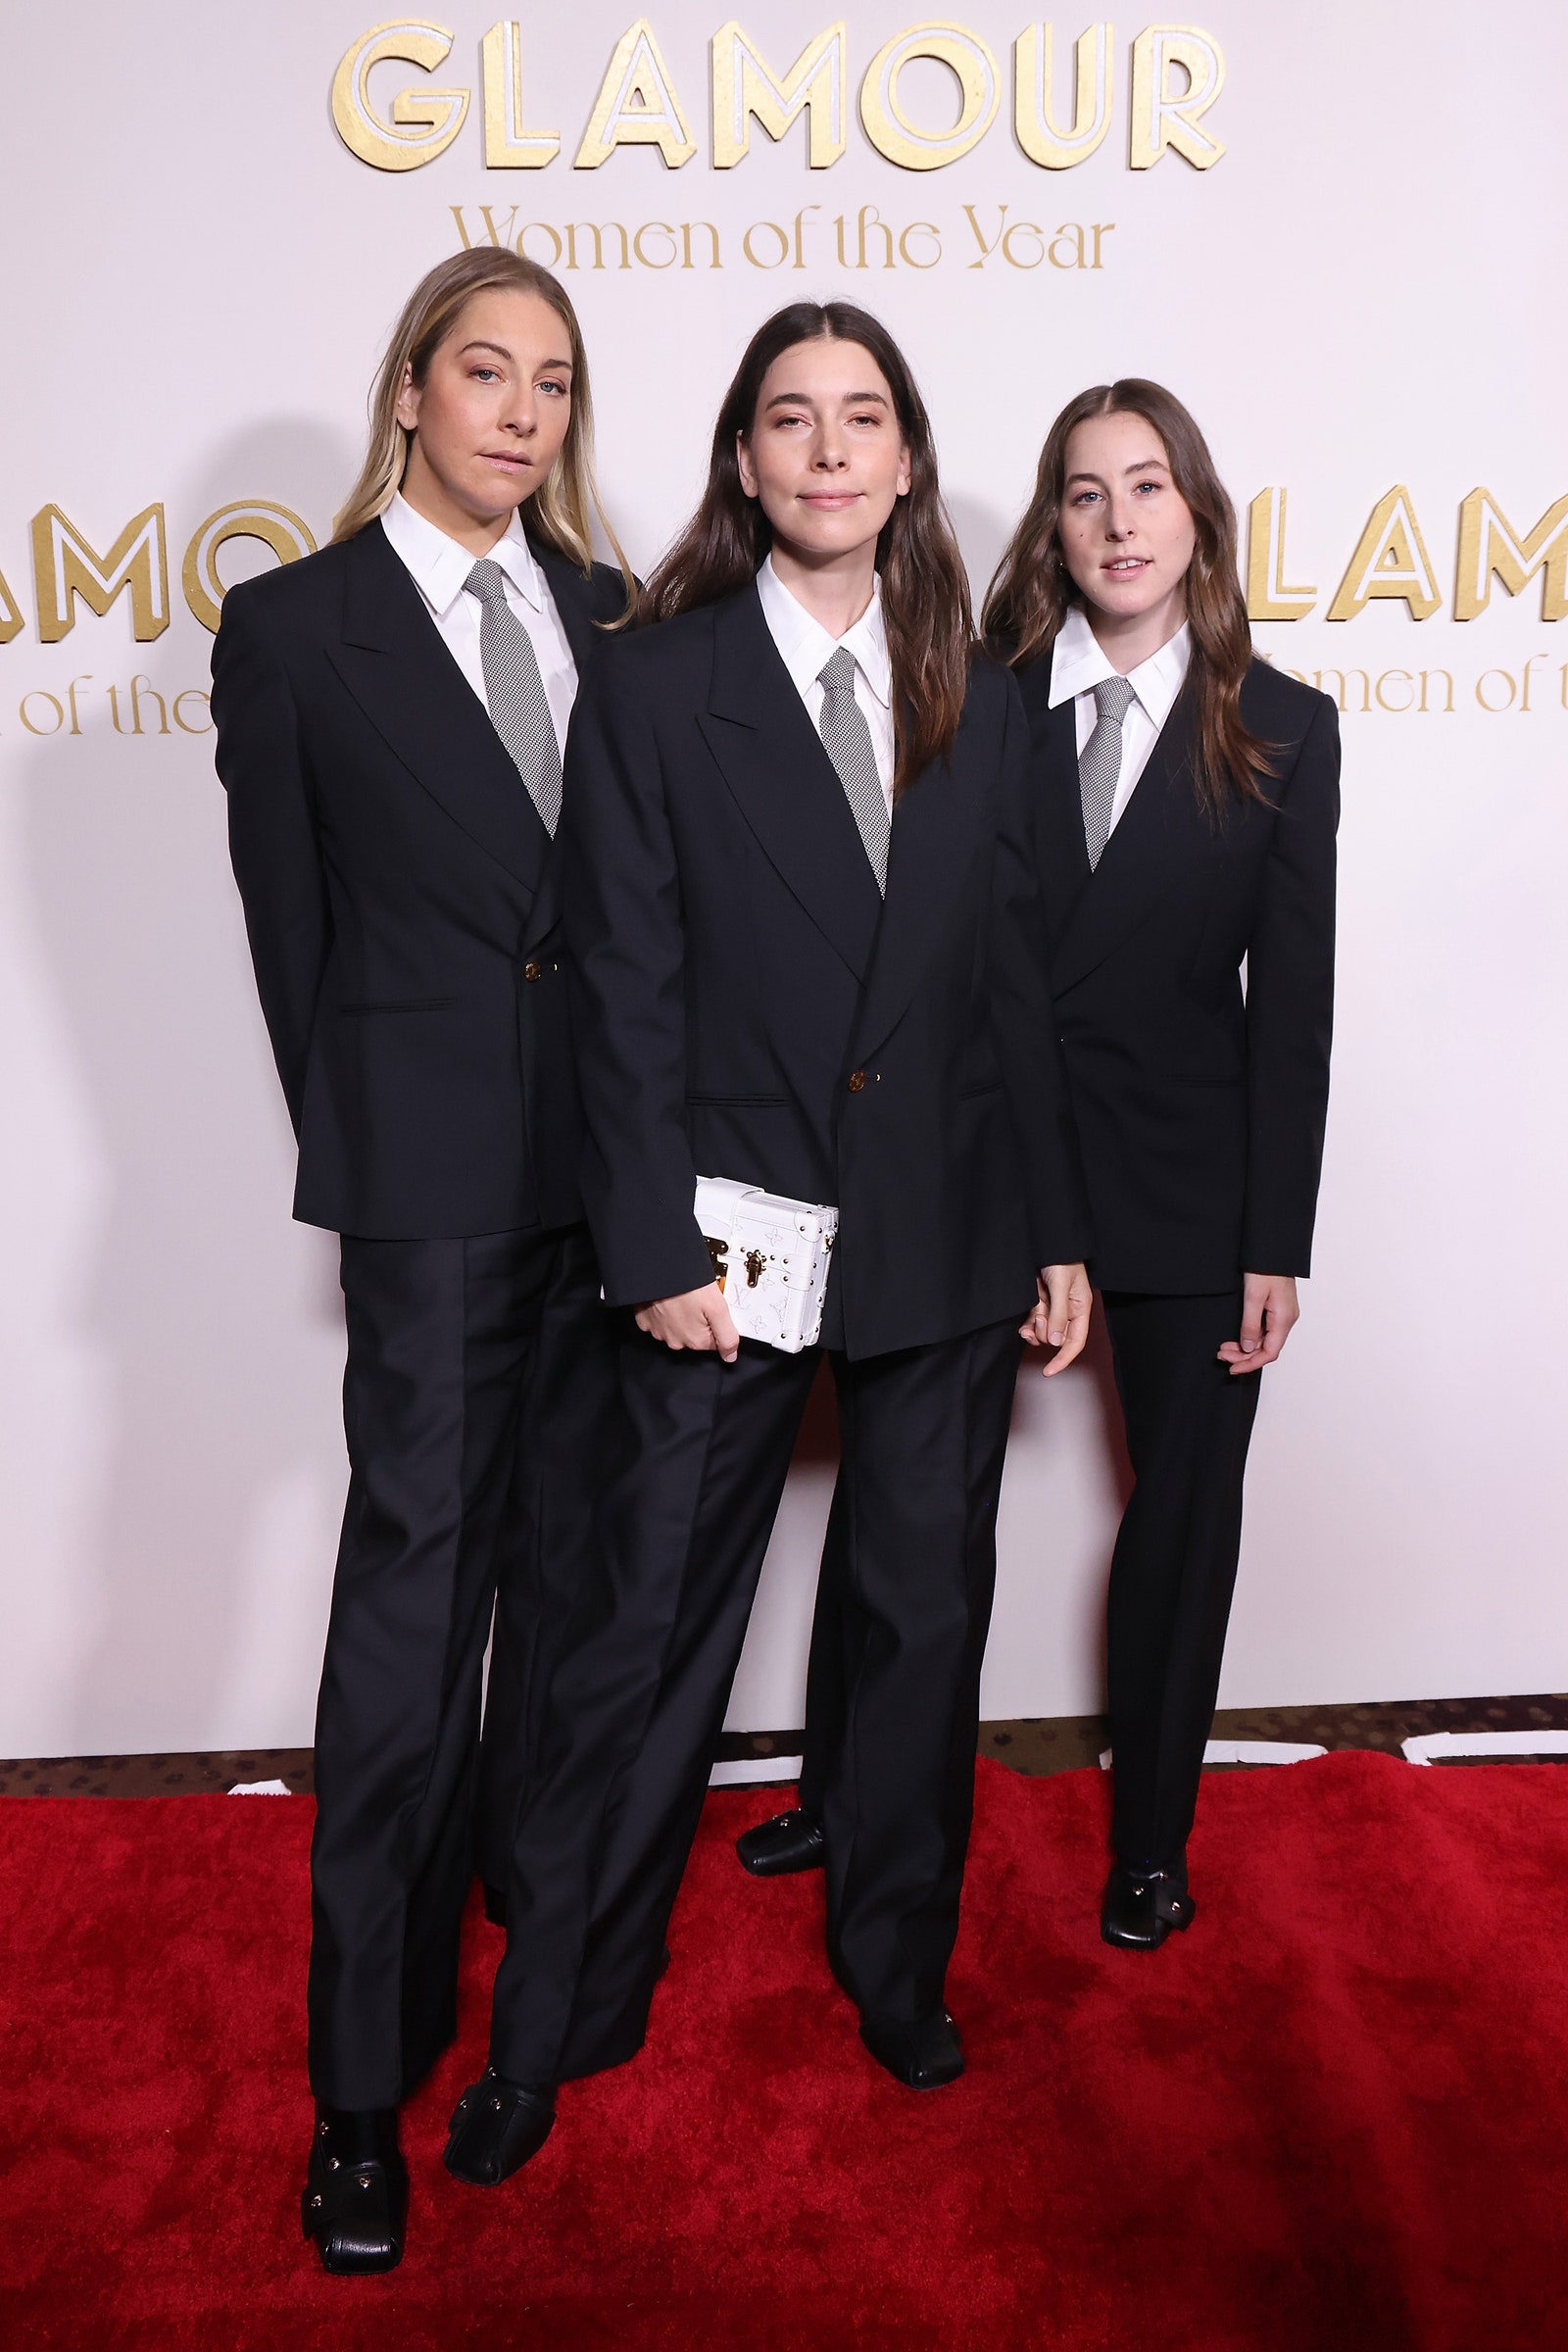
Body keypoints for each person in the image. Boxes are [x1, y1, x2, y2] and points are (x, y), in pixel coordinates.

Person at [437, 301, 1092, 2191]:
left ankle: (899, 1967)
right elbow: (622, 994)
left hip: (948, 1236)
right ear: (742, 460)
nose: (826, 450)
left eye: (861, 418)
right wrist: (649, 1242)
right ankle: (556, 2009)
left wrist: (1050, 1225)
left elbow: (1014, 990)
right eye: (788, 420)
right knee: (639, 1639)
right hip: (719, 1254)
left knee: (919, 1625)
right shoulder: (658, 683)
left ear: (903, 459)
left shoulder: (988, 681)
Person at [210, 248, 632, 2274]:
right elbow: (294, 953)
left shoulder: (615, 613)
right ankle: (356, 2083)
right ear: (409, 390)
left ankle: (528, 1962)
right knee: (409, 1617)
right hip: (435, 1192)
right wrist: (393, 1152)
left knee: (567, 1596)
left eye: (553, 380)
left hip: (613, 1197)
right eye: (487, 371)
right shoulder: (294, 631)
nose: (522, 411)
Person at [983, 378, 1340, 1949]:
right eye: (1084, 493)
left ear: (1197, 511)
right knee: (903, 1504)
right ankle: (849, 1786)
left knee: (1187, 1517)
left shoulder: (1283, 725)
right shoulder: (981, 703)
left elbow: (1295, 1011)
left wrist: (1279, 1239)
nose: (1119, 522)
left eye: (1147, 486)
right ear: (1053, 528)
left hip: (1194, 1186)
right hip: (989, 1163)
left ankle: (1151, 1835)